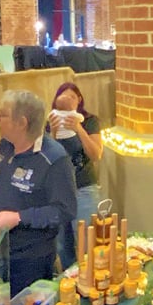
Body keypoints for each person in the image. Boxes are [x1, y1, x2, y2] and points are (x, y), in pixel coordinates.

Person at [0, 90, 77, 295]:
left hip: (31, 258)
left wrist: (18, 218)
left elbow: (65, 211)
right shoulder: (6, 145)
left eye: (2, 115)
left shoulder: (54, 159)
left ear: (22, 123)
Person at [47, 82, 104, 270]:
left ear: (79, 100)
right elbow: (47, 158)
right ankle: (70, 285)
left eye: (73, 96)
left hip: (84, 188)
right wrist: (53, 133)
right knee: (63, 246)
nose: (69, 100)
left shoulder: (89, 121)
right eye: (64, 96)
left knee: (86, 244)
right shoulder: (52, 121)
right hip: (59, 193)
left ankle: (89, 282)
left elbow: (96, 154)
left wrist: (79, 128)